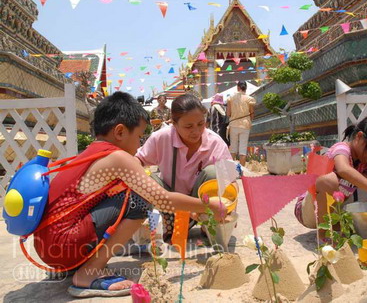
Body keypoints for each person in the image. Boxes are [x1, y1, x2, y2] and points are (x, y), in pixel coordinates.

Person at [33, 92, 224, 298]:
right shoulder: (118, 158)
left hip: (49, 247)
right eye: (139, 136)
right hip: (63, 246)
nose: (140, 143)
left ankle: (79, 265)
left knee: (128, 195)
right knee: (139, 201)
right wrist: (209, 206)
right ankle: (88, 274)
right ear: (120, 132)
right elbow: (162, 200)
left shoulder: (94, 151)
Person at [136, 94, 232, 240]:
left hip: (203, 208)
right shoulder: (161, 138)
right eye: (188, 126)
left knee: (214, 172)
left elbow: (230, 181)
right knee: (146, 180)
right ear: (173, 123)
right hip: (169, 205)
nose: (196, 131)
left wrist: (228, 210)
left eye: (201, 124)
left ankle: (209, 223)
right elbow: (136, 161)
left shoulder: (215, 142)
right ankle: (169, 222)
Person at [294, 115, 367, 238]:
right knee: (328, 181)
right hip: (309, 211)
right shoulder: (342, 148)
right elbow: (343, 169)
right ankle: (324, 236)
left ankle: (347, 224)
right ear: (359, 137)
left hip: (336, 212)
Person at [227, 81, 256, 166]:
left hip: (233, 125)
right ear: (245, 88)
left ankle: (231, 171)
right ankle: (241, 172)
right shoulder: (250, 99)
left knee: (233, 149)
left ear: (238, 87)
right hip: (245, 125)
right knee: (242, 150)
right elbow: (252, 113)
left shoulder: (230, 98)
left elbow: (228, 113)